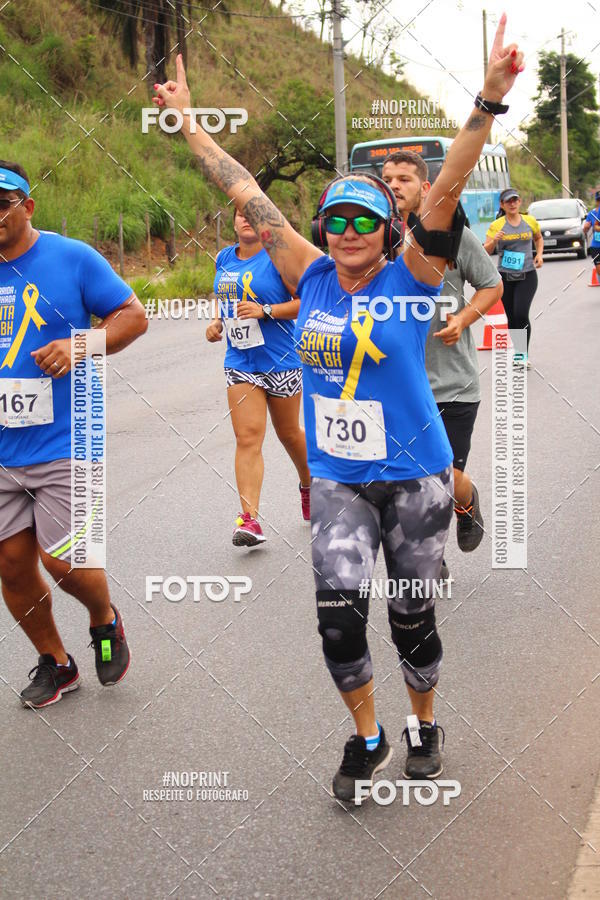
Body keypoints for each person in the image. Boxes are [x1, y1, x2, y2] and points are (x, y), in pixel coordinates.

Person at [152, 14, 523, 801]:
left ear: (387, 231)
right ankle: (368, 736)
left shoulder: (413, 274)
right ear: (322, 228)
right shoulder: (312, 275)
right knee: (339, 620)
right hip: (339, 481)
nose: (349, 231)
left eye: (365, 220)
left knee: (412, 622)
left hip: (418, 478)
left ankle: (425, 722)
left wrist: (487, 102)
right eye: (336, 220)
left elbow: (449, 182)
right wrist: (188, 124)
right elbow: (242, 188)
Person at [0, 161, 147, 708]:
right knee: (12, 567)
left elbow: (133, 316)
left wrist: (79, 345)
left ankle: (104, 619)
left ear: (27, 206)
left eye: (1, 202)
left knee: (64, 562)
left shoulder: (72, 258)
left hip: (67, 439)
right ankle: (56, 663)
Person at [382, 150, 503, 573]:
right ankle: (430, 556)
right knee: (406, 479)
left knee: (441, 474)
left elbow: (491, 284)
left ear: (425, 187)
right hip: (400, 384)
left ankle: (466, 503)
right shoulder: (375, 237)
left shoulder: (453, 235)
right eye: (388, 178)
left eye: (404, 179)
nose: (395, 185)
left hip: (453, 383)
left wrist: (463, 318)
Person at [206, 207, 311, 545]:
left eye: (252, 213)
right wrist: (218, 323)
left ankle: (310, 485)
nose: (245, 219)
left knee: (289, 434)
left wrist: (266, 311)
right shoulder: (224, 257)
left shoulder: (280, 257)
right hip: (240, 361)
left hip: (280, 359)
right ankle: (249, 520)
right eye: (240, 214)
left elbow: (304, 301)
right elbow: (226, 300)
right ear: (233, 221)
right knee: (248, 437)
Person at [484, 187, 542, 368]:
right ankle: (519, 352)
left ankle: (523, 354)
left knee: (521, 313)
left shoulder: (530, 221)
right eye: (508, 201)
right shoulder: (497, 225)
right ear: (502, 204)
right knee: (511, 317)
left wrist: (539, 255)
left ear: (519, 202)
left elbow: (538, 238)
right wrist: (495, 240)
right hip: (505, 276)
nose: (512, 203)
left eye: (515, 200)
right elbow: (485, 251)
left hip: (527, 274)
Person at [582, 190, 600, 280]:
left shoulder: (592, 213)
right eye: (599, 200)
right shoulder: (592, 213)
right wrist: (586, 227)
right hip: (596, 245)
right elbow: (586, 228)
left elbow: (587, 228)